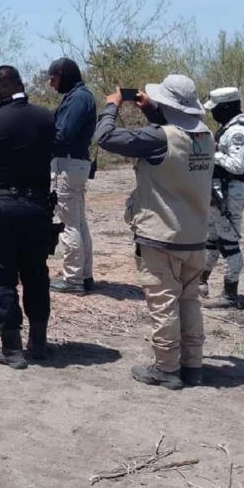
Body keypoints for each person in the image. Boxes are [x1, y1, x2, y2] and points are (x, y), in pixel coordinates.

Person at [94, 74, 215, 390]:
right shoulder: (206, 136)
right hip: (195, 235)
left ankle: (166, 369)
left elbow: (106, 138)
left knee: (164, 303)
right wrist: (152, 112)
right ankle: (193, 366)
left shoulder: (159, 138)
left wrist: (111, 106)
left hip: (161, 236)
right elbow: (173, 138)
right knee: (189, 301)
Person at [0, 65, 55, 369]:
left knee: (2, 277)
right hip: (37, 206)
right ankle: (39, 344)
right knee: (36, 273)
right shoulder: (47, 117)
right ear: (22, 84)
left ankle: (12, 349)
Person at [200, 87, 244, 308]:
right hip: (222, 191)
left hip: (230, 193)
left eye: (215, 109)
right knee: (212, 239)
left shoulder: (238, 131)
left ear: (226, 107)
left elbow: (237, 165)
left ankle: (229, 294)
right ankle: (201, 282)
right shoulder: (230, 127)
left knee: (229, 244)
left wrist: (210, 154)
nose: (213, 113)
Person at [47, 58, 97, 294]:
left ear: (63, 74)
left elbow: (62, 135)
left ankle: (73, 279)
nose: (51, 84)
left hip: (68, 164)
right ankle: (84, 276)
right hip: (75, 164)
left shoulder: (78, 99)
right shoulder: (79, 96)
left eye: (53, 78)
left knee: (68, 223)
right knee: (78, 222)